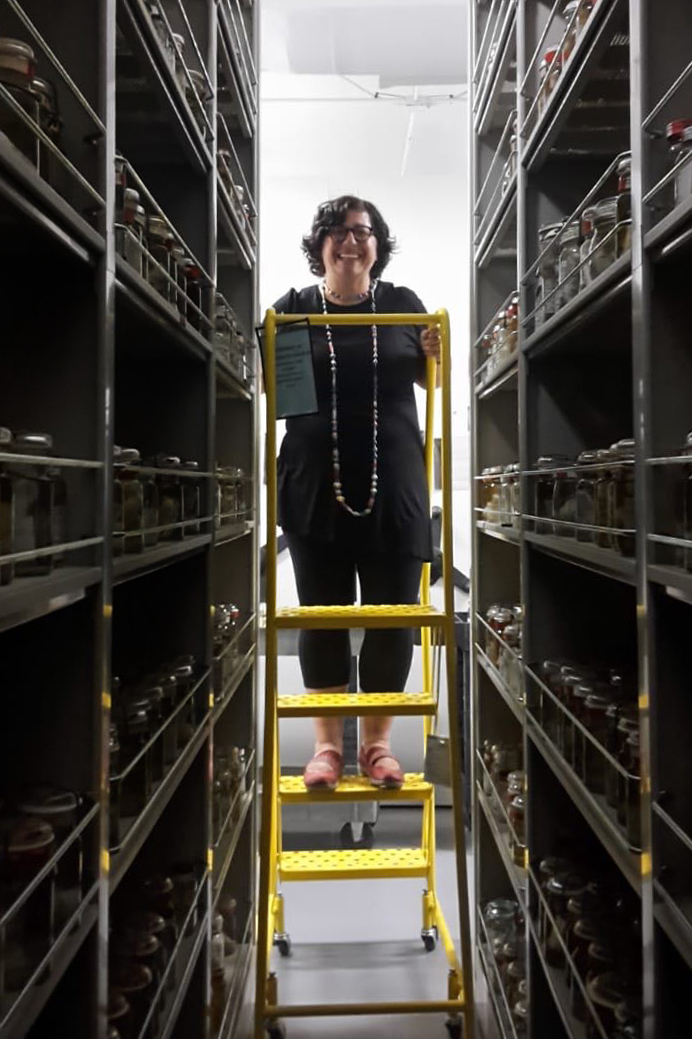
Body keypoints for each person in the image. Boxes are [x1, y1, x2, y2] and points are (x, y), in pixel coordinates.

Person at [273, 195, 441, 792]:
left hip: (393, 487)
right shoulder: (292, 310)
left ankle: (376, 747)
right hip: (315, 487)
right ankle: (325, 749)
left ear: (378, 244)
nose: (352, 240)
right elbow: (272, 393)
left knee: (392, 617)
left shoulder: (402, 305)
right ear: (320, 245)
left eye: (364, 232)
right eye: (339, 231)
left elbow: (437, 378)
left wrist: (433, 355)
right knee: (323, 616)